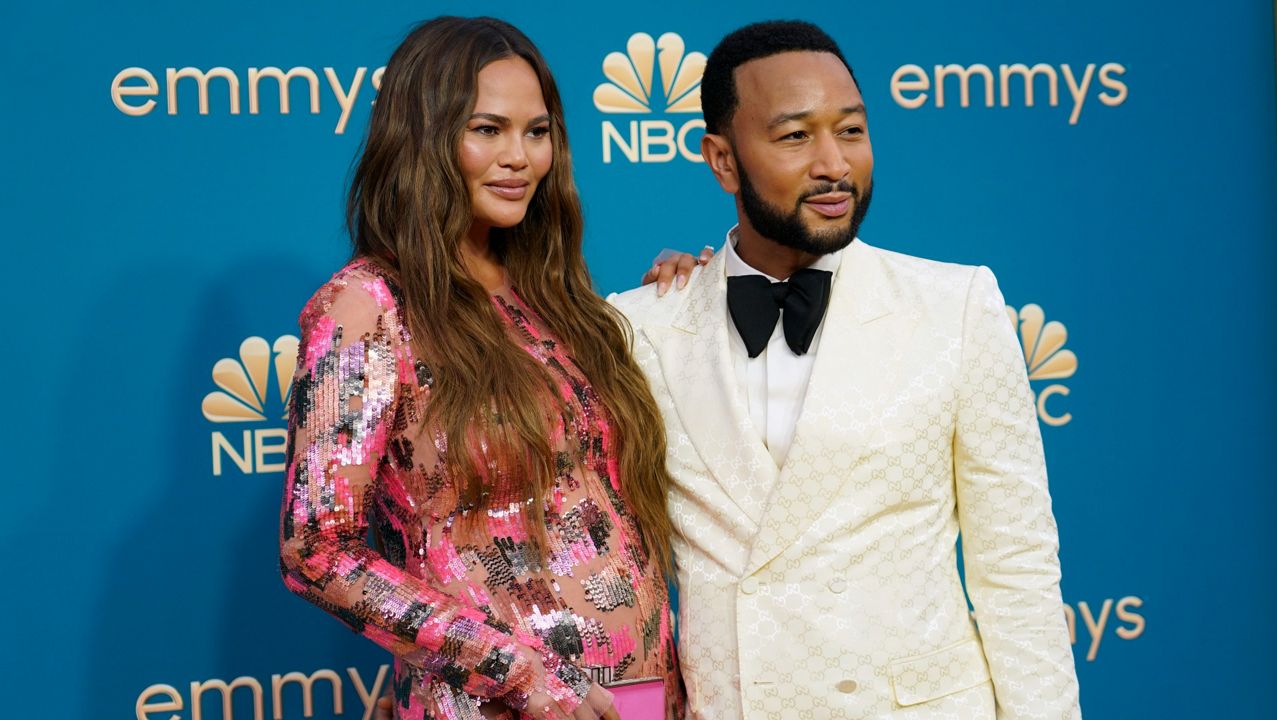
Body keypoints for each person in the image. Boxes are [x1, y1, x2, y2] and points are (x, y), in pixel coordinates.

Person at [609, 20, 1082, 719]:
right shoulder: (636, 329)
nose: (834, 164)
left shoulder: (955, 307)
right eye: (795, 136)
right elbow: (610, 576)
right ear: (722, 160)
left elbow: (1016, 568)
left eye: (852, 132)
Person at [279, 17, 683, 720]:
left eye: (537, 131)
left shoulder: (557, 297)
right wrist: (519, 675)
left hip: (643, 699)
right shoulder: (365, 307)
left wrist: (696, 296)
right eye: (487, 129)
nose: (519, 157)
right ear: (425, 138)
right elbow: (316, 550)